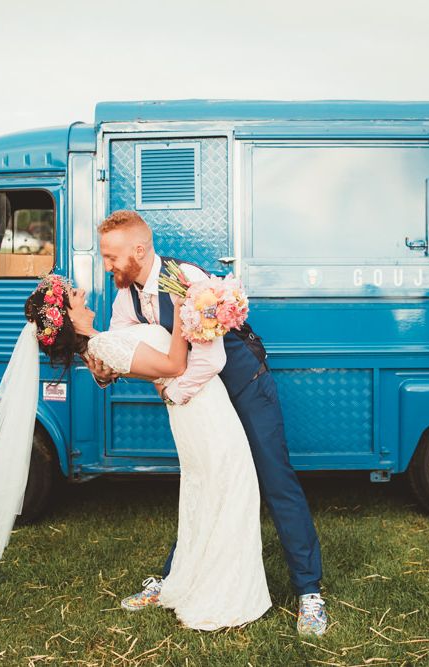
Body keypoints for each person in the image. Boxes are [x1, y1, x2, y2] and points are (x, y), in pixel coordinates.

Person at [69, 210, 328, 636]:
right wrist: (101, 363)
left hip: (243, 386)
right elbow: (124, 353)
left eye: (112, 256)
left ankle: (309, 592)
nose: (107, 265)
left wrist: (172, 392)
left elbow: (212, 357)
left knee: (275, 481)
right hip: (205, 400)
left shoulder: (186, 279)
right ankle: (176, 579)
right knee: (202, 483)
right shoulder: (124, 299)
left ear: (139, 249)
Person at [0, 272, 272, 630]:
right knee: (229, 489)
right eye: (74, 294)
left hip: (201, 407)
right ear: (68, 315)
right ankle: (221, 596)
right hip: (202, 412)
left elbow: (144, 361)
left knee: (217, 494)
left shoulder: (103, 343)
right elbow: (174, 366)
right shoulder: (103, 347)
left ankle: (208, 584)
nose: (83, 292)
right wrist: (182, 311)